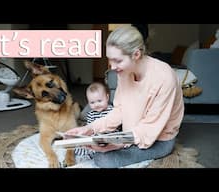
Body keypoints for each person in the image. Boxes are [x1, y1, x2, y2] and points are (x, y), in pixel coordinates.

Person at [66, 25, 184, 168]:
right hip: (130, 132)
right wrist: (90, 128)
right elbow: (119, 110)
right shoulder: (124, 72)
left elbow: (150, 128)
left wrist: (120, 144)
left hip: (158, 139)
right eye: (110, 59)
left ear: (136, 55)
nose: (112, 66)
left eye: (118, 60)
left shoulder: (164, 78)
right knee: (93, 144)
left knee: (103, 159)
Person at [74, 82, 113, 162]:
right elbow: (89, 129)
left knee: (106, 144)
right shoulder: (91, 114)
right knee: (79, 146)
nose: (96, 105)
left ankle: (94, 153)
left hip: (109, 137)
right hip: (95, 139)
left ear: (107, 97)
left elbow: (116, 125)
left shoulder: (112, 110)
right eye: (92, 102)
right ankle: (88, 154)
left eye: (99, 101)